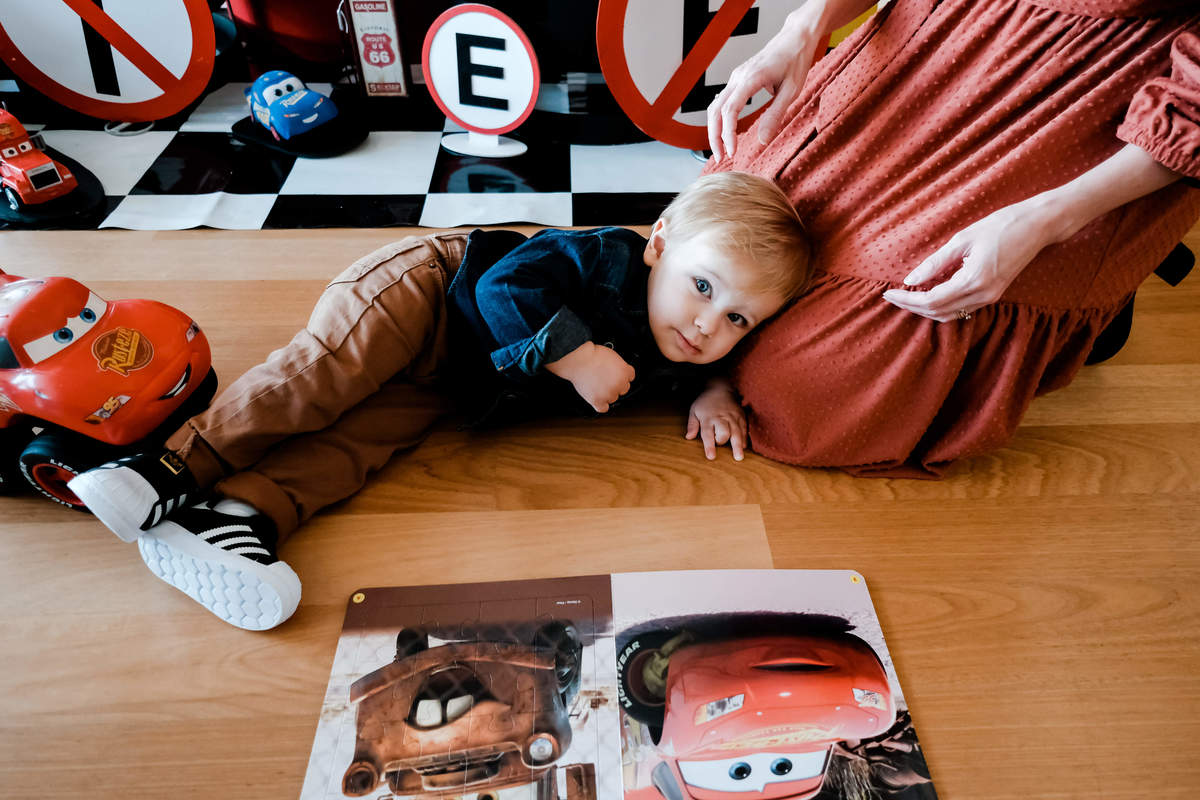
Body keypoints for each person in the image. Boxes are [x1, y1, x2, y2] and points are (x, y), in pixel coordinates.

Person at [68, 172, 813, 631]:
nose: (707, 323)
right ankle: (165, 471)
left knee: (362, 444)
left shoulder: (689, 344)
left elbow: (710, 361)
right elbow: (504, 287)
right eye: (704, 286)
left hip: (460, 383)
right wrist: (577, 354)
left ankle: (235, 518)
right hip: (426, 294)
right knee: (321, 379)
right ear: (660, 245)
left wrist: (716, 389)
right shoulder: (604, 257)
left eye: (738, 320)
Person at [704, 0, 1200, 477]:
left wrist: (1050, 220)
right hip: (925, 51)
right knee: (721, 236)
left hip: (1079, 104)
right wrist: (801, 32)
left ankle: (1095, 292)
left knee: (800, 393)